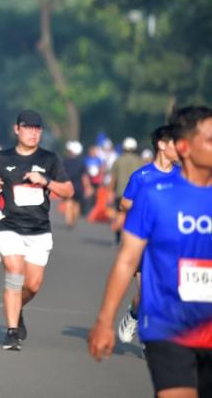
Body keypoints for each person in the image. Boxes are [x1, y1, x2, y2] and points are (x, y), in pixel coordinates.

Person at [89, 106, 212, 398]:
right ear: (183, 146)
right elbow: (127, 259)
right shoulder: (154, 194)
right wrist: (104, 322)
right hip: (169, 326)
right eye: (209, 139)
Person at [0, 109, 73, 351]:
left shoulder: (50, 160)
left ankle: (16, 309)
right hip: (8, 225)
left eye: (37, 129)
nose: (33, 133)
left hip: (39, 229)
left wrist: (47, 182)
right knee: (14, 271)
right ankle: (11, 332)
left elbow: (69, 191)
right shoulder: (2, 158)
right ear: (17, 129)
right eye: (28, 128)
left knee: (32, 285)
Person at [115, 125, 181, 346]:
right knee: (147, 294)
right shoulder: (142, 175)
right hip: (144, 242)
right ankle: (136, 316)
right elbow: (125, 203)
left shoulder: (182, 175)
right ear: (162, 145)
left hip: (170, 244)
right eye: (175, 143)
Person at [109, 137, 144, 244]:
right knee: (132, 217)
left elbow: (113, 179)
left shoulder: (118, 160)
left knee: (120, 213)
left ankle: (118, 235)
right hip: (135, 194)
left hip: (120, 192)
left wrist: (110, 192)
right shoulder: (140, 161)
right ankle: (128, 239)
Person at [61, 141, 92, 229]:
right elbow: (84, 177)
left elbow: (61, 174)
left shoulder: (65, 161)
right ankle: (74, 220)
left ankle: (69, 221)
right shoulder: (81, 163)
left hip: (68, 185)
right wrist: (88, 187)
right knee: (77, 204)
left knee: (69, 202)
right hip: (79, 187)